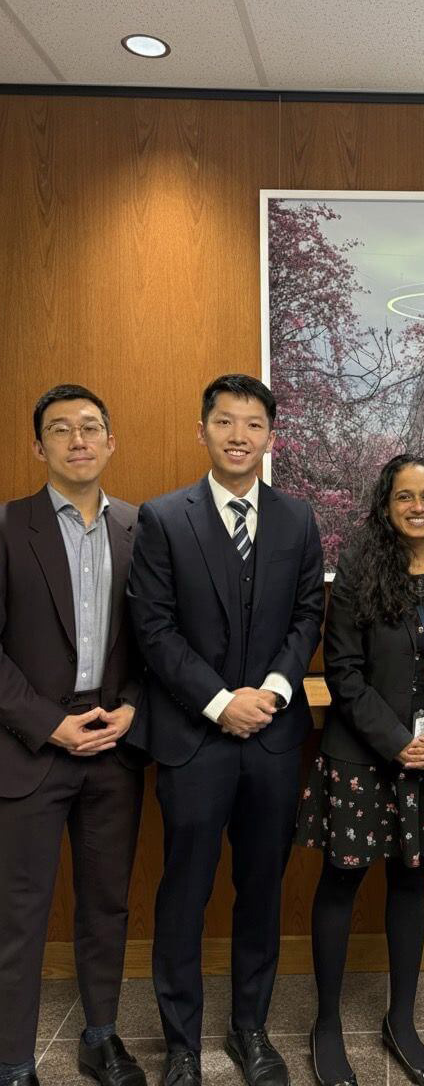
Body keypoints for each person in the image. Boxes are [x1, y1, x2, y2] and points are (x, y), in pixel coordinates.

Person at [127, 374, 324, 1086]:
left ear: (272, 436)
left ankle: (251, 1030)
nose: (239, 436)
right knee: (184, 890)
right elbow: (152, 626)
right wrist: (218, 701)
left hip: (271, 737)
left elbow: (308, 616)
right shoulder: (163, 518)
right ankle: (181, 1042)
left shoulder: (298, 518)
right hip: (193, 737)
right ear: (203, 430)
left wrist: (269, 693)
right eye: (225, 422)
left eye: (253, 424)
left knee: (262, 888)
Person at [296, 454, 424, 1086]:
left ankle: (400, 1022)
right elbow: (342, 669)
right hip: (363, 756)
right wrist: (395, 740)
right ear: (385, 505)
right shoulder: (357, 567)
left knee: (411, 880)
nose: (416, 507)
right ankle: (327, 1028)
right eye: (404, 497)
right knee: (343, 878)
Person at [0, 384, 145, 1086]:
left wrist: (135, 708)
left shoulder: (141, 528)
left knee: (106, 902)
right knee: (19, 914)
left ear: (111, 442)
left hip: (114, 747)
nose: (78, 440)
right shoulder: (7, 526)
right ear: (40, 447)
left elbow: (158, 639)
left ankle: (100, 1037)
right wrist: (47, 724)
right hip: (29, 748)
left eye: (91, 427)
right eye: (61, 430)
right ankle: (14, 1060)